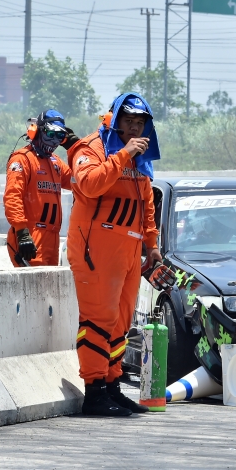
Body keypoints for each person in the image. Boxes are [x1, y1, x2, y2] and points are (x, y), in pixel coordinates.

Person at [67, 93, 172, 416]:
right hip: (96, 248)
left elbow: (146, 203)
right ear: (114, 120)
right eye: (128, 121)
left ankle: (112, 386)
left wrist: (152, 245)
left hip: (129, 250)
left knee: (121, 322)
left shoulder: (141, 159)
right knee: (98, 320)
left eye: (139, 123)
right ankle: (94, 391)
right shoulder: (90, 149)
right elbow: (89, 184)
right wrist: (124, 154)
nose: (134, 128)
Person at [4, 109, 77, 267]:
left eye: (60, 136)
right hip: (30, 236)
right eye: (50, 134)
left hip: (52, 237)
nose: (54, 141)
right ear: (37, 131)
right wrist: (22, 232)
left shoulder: (55, 162)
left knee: (50, 283)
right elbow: (12, 197)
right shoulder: (22, 159)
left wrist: (77, 149)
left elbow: (81, 182)